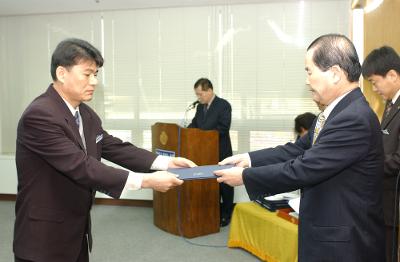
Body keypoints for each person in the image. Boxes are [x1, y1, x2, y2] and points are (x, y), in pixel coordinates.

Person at [13, 38, 195, 262]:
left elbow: (113, 147)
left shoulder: (86, 114)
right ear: (62, 73)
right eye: (87, 73)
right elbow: (81, 165)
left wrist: (165, 163)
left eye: (96, 74)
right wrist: (147, 181)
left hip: (77, 230)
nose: (94, 81)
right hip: (45, 237)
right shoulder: (40, 115)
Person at [215, 34, 385, 261]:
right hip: (328, 229)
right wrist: (249, 158)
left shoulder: (353, 118)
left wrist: (245, 176)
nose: (307, 80)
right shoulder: (336, 112)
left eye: (309, 71)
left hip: (344, 242)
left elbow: (304, 167)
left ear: (334, 73)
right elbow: (296, 150)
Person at [362, 46, 400, 262]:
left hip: (394, 196)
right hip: (385, 197)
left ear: (392, 75)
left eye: (375, 82)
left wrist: (366, 166)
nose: (374, 89)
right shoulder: (390, 103)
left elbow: (398, 160)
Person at [188, 78, 234, 227]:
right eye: (197, 95)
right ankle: (212, 211)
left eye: (200, 94)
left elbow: (223, 128)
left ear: (209, 91)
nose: (198, 98)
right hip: (204, 152)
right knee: (208, 183)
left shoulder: (224, 105)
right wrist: (183, 132)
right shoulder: (200, 108)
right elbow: (195, 124)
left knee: (224, 184)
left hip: (221, 150)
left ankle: (226, 214)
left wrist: (204, 137)